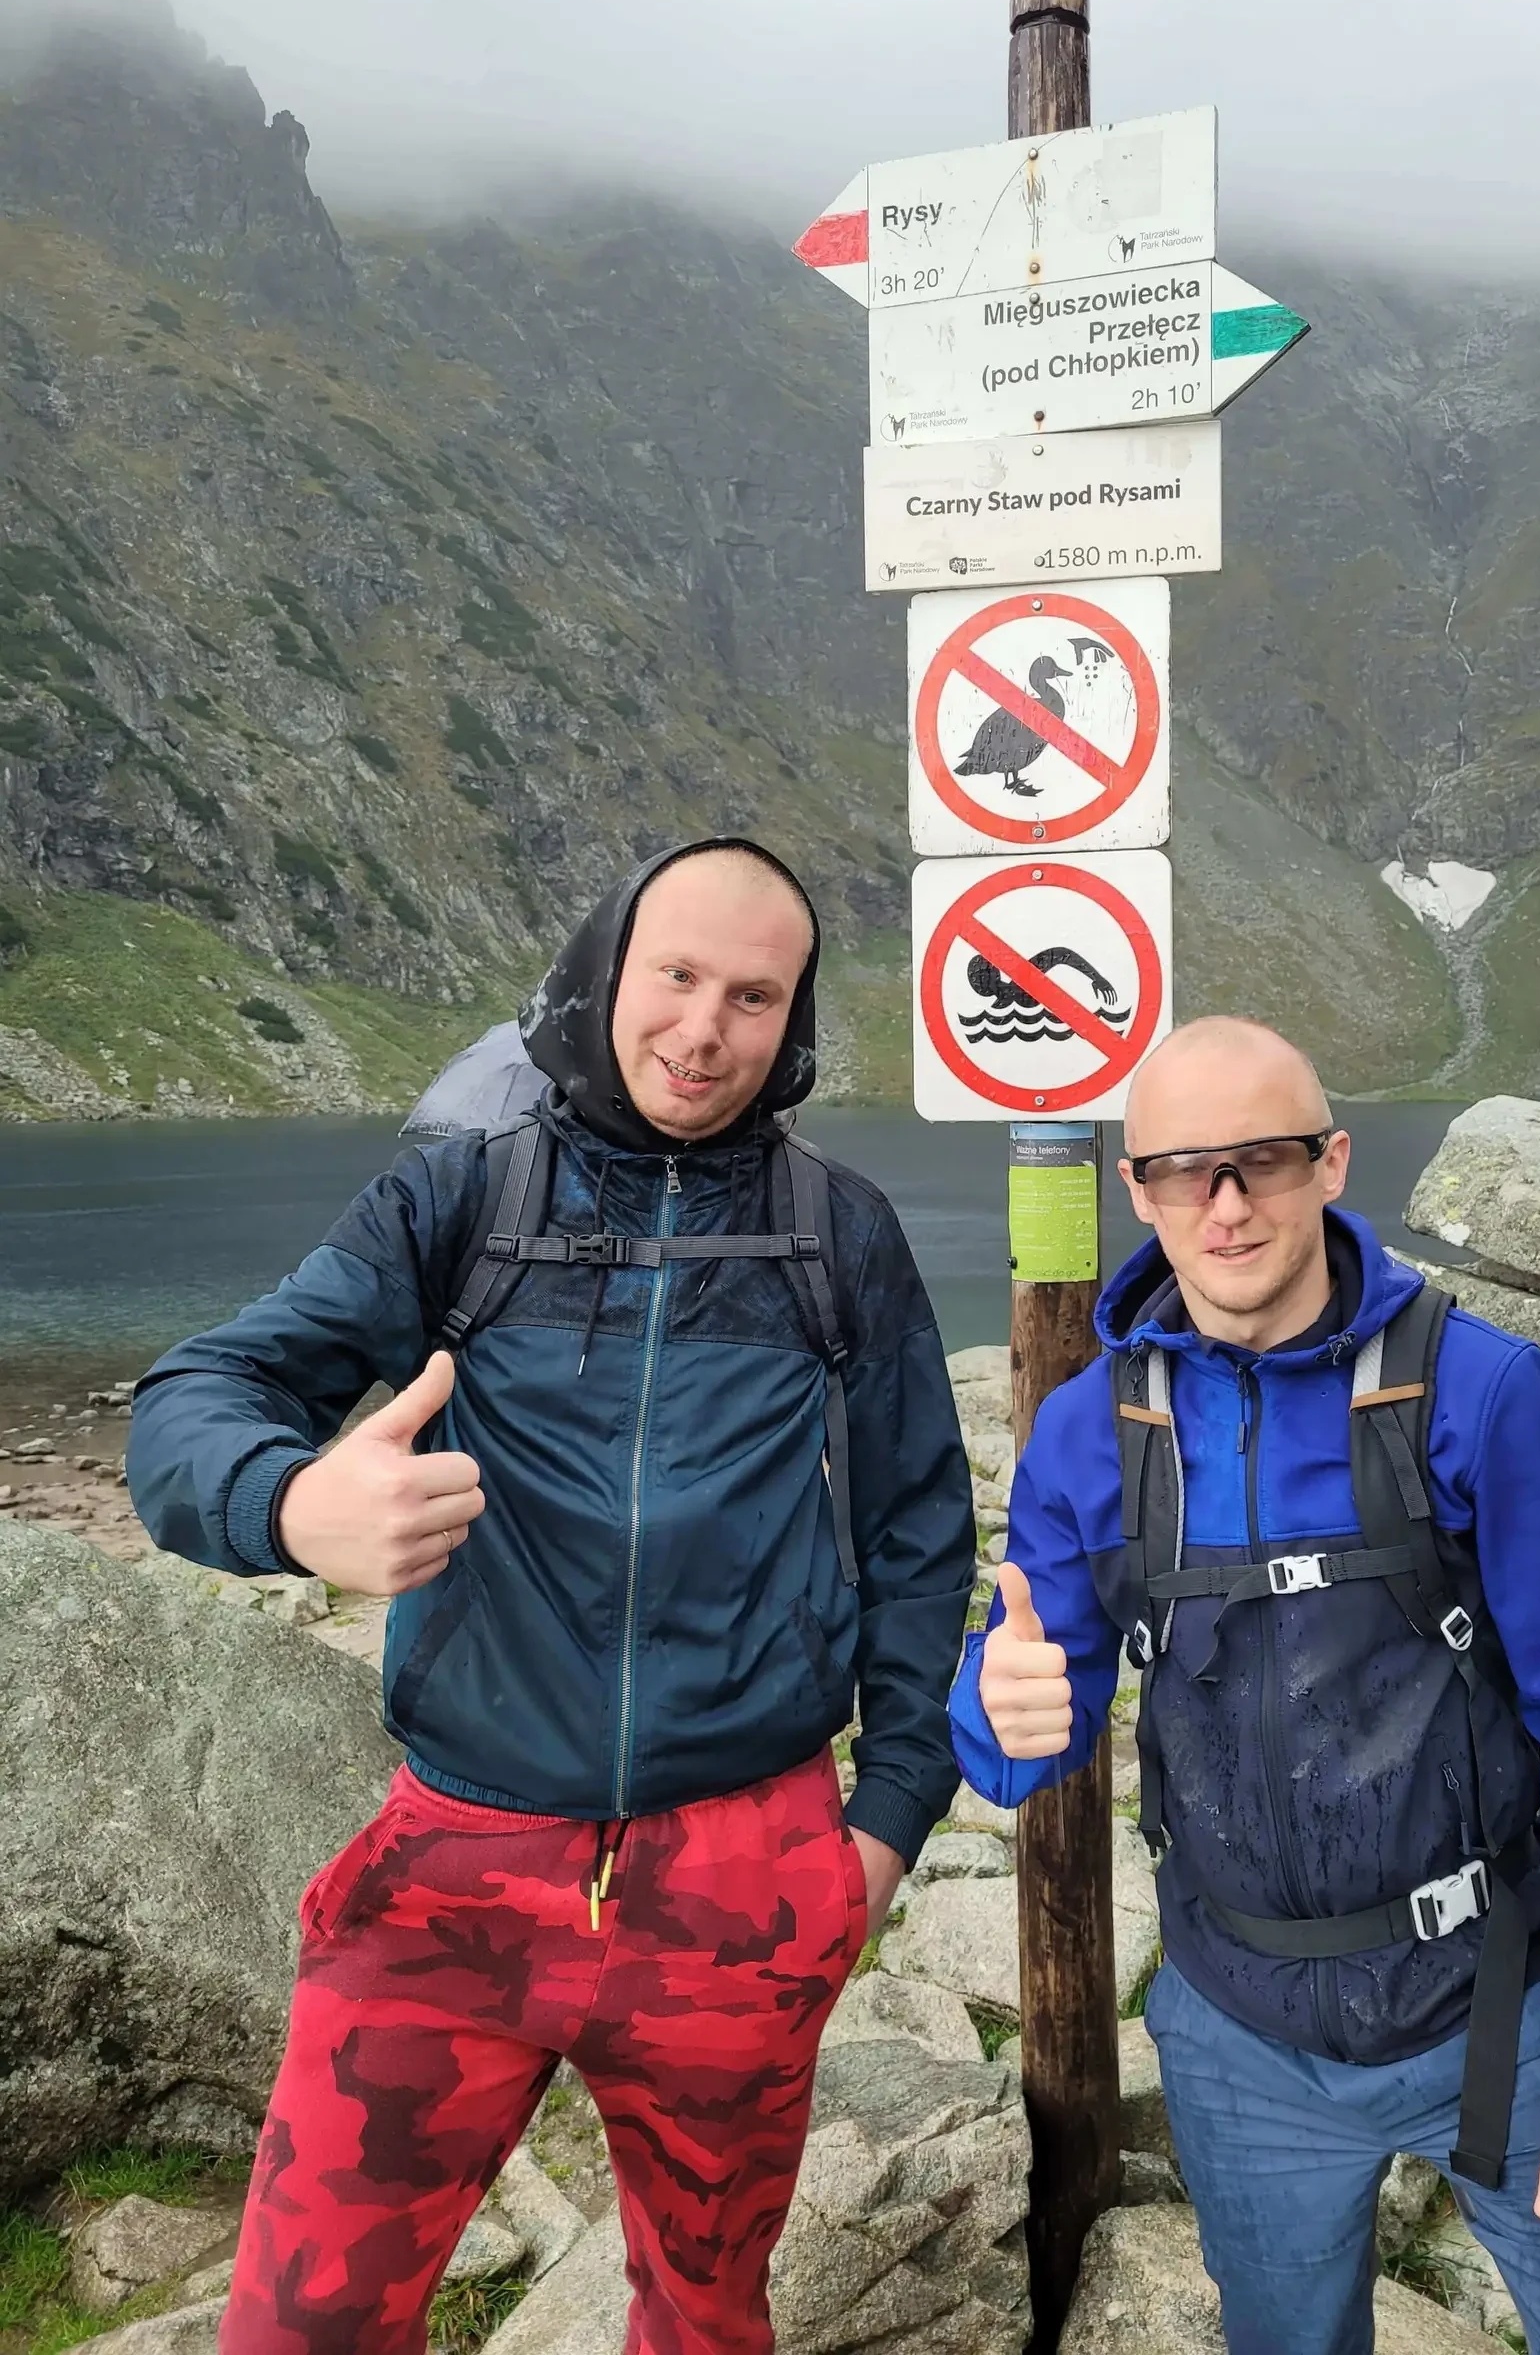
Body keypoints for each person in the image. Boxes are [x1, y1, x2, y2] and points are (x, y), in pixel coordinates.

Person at [129, 838, 976, 2355]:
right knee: (302, 2325)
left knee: (707, 2320)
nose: (703, 1031)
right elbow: (203, 1391)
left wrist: (883, 1828)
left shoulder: (837, 1231)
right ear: (607, 965)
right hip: (457, 1863)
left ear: (793, 1025)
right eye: (676, 976)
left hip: (746, 1870)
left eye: (754, 997)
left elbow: (919, 1527)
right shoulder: (462, 1200)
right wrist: (293, 1504)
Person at [950, 1018, 1540, 2355]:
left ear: (1332, 1164)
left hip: (1503, 2010)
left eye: (1264, 1160)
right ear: (1138, 1191)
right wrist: (992, 1705)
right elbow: (1024, 1727)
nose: (1228, 1203)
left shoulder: (1480, 1393)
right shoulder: (1092, 1431)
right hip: (1240, 2039)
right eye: (1187, 1171)